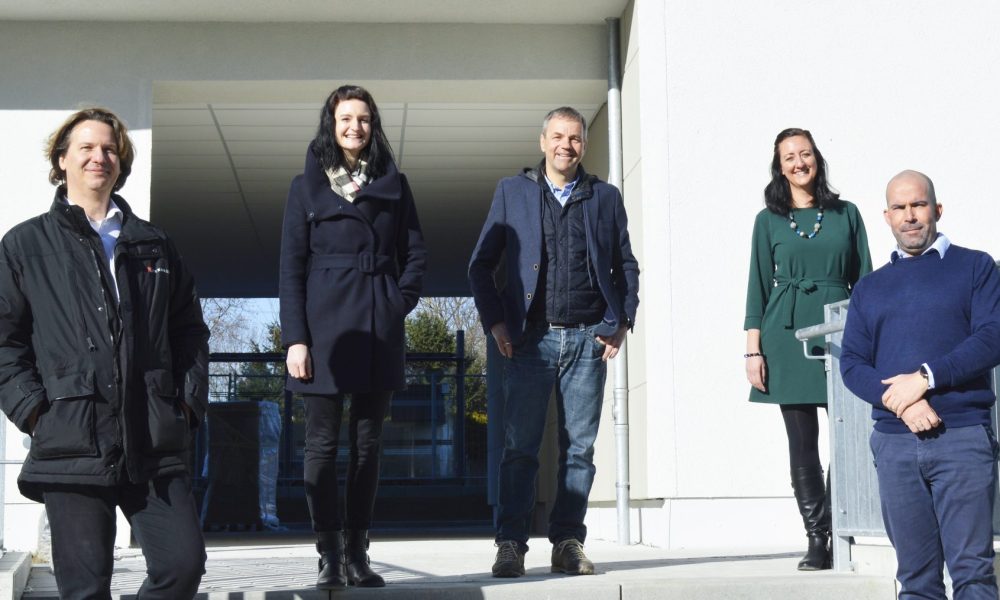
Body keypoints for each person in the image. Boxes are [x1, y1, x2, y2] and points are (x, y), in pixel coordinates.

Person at [0, 107, 209, 599]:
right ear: (62, 160)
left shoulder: (155, 244)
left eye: (110, 148)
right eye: (87, 148)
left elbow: (189, 332)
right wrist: (34, 412)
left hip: (152, 436)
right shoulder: (24, 245)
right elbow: (4, 342)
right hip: (70, 437)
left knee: (183, 564)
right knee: (85, 588)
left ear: (122, 162)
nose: (100, 157)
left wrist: (185, 403)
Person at [468, 106, 640, 578]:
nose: (567, 145)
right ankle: (510, 545)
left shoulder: (605, 197)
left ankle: (567, 541)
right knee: (519, 448)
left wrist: (621, 321)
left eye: (576, 138)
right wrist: (497, 324)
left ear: (583, 145)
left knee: (579, 450)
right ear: (542, 141)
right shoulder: (513, 193)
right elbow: (480, 266)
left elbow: (625, 265)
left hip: (589, 340)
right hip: (528, 341)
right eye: (558, 136)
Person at [279, 85, 426, 590]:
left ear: (373, 124)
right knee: (320, 447)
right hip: (323, 331)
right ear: (331, 122)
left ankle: (359, 553)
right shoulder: (305, 187)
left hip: (376, 328)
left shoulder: (394, 184)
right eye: (346, 118)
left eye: (363, 119)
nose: (355, 127)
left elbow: (415, 253)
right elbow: (290, 268)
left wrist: (395, 304)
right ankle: (328, 553)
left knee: (368, 446)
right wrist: (296, 339)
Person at [841, 170, 1000, 599]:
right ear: (886, 216)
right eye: (899, 207)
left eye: (918, 205)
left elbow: (991, 338)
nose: (910, 216)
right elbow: (853, 364)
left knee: (973, 575)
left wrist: (925, 378)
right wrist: (904, 403)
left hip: (962, 437)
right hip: (895, 445)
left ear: (937, 209)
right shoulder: (870, 288)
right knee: (915, 581)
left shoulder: (976, 267)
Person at [743, 128, 871, 570]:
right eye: (789, 157)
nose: (799, 162)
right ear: (780, 167)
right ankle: (818, 539)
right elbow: (757, 288)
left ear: (817, 158)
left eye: (806, 153)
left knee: (847, 437)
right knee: (803, 444)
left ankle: (840, 525)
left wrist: (873, 338)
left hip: (840, 332)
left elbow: (867, 282)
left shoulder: (847, 214)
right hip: (786, 332)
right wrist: (752, 351)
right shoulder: (768, 220)